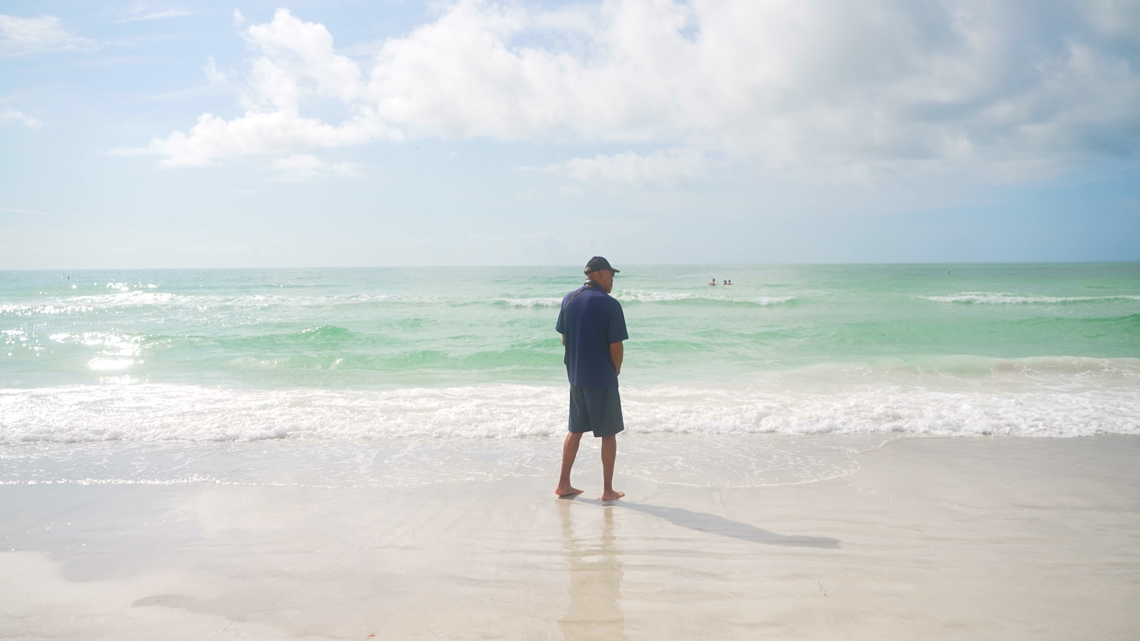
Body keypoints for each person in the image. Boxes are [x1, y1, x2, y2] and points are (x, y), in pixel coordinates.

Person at [555, 256, 628, 501]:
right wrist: (615, 369)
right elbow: (615, 347)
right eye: (612, 275)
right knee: (608, 434)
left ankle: (563, 484)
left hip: (576, 378)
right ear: (602, 273)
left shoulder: (569, 299)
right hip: (602, 379)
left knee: (575, 431)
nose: (613, 281)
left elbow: (564, 339)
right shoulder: (610, 304)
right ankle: (608, 491)